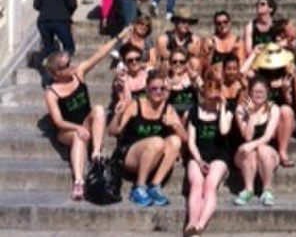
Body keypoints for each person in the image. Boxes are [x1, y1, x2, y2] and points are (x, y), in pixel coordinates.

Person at [44, 26, 131, 201]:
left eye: (70, 61)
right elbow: (59, 121)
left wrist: (118, 38)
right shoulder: (52, 93)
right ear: (56, 73)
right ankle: (79, 182)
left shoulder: (78, 74)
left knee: (98, 109)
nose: (72, 66)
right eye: (66, 65)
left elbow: (99, 55)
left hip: (86, 122)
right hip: (66, 130)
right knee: (78, 136)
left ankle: (96, 153)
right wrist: (78, 128)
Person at [108, 70, 187, 207]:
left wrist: (174, 125)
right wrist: (117, 115)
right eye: (154, 89)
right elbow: (112, 131)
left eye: (162, 89)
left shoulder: (168, 109)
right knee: (157, 141)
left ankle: (155, 185)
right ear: (147, 90)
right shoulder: (135, 105)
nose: (158, 92)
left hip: (154, 156)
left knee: (175, 141)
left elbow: (185, 138)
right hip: (130, 155)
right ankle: (139, 187)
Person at [184, 79, 233, 236]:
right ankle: (191, 222)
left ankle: (200, 225)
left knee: (210, 185)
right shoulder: (194, 111)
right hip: (198, 154)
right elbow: (191, 141)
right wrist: (198, 160)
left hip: (219, 155)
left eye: (214, 96)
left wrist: (223, 106)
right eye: (208, 96)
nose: (211, 100)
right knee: (196, 184)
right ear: (203, 94)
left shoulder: (226, 111)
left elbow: (224, 130)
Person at [233, 76, 280, 206]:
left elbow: (268, 136)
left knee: (261, 149)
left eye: (262, 91)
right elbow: (247, 136)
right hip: (244, 155)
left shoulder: (273, 109)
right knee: (249, 152)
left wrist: (251, 145)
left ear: (267, 92)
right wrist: (252, 116)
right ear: (249, 92)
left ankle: (267, 190)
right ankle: (248, 189)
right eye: (255, 91)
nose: (259, 94)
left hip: (268, 153)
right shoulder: (240, 110)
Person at [34, 0, 77, 85]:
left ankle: (48, 79)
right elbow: (72, 4)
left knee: (48, 50)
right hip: (61, 20)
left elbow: (36, 5)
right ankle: (62, 65)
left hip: (43, 21)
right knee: (69, 47)